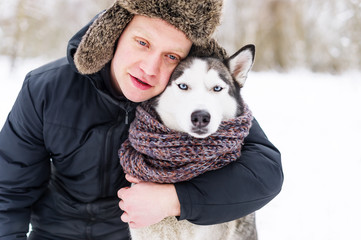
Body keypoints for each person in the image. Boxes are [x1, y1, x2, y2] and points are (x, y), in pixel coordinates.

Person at [0, 0, 283, 239]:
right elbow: (8, 193)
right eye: (142, 43)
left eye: (171, 56)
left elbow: (265, 172)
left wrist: (176, 200)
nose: (149, 68)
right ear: (115, 33)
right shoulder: (47, 89)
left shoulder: (184, 97)